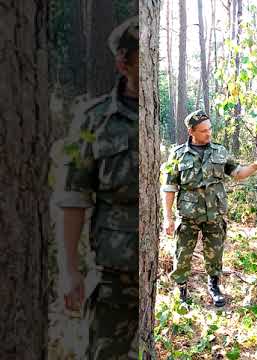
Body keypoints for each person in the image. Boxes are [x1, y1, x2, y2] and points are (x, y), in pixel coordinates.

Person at [57, 16, 139, 359]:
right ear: (123, 61)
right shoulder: (91, 119)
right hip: (114, 277)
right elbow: (73, 197)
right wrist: (70, 270)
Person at [161, 110, 257, 307]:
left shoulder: (220, 151)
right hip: (188, 215)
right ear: (191, 131)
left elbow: (238, 173)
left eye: (210, 129)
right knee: (182, 254)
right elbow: (169, 188)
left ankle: (214, 286)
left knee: (214, 254)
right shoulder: (177, 155)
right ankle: (181, 290)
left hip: (214, 214)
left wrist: (255, 166)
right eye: (203, 131)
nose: (209, 133)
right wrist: (168, 218)